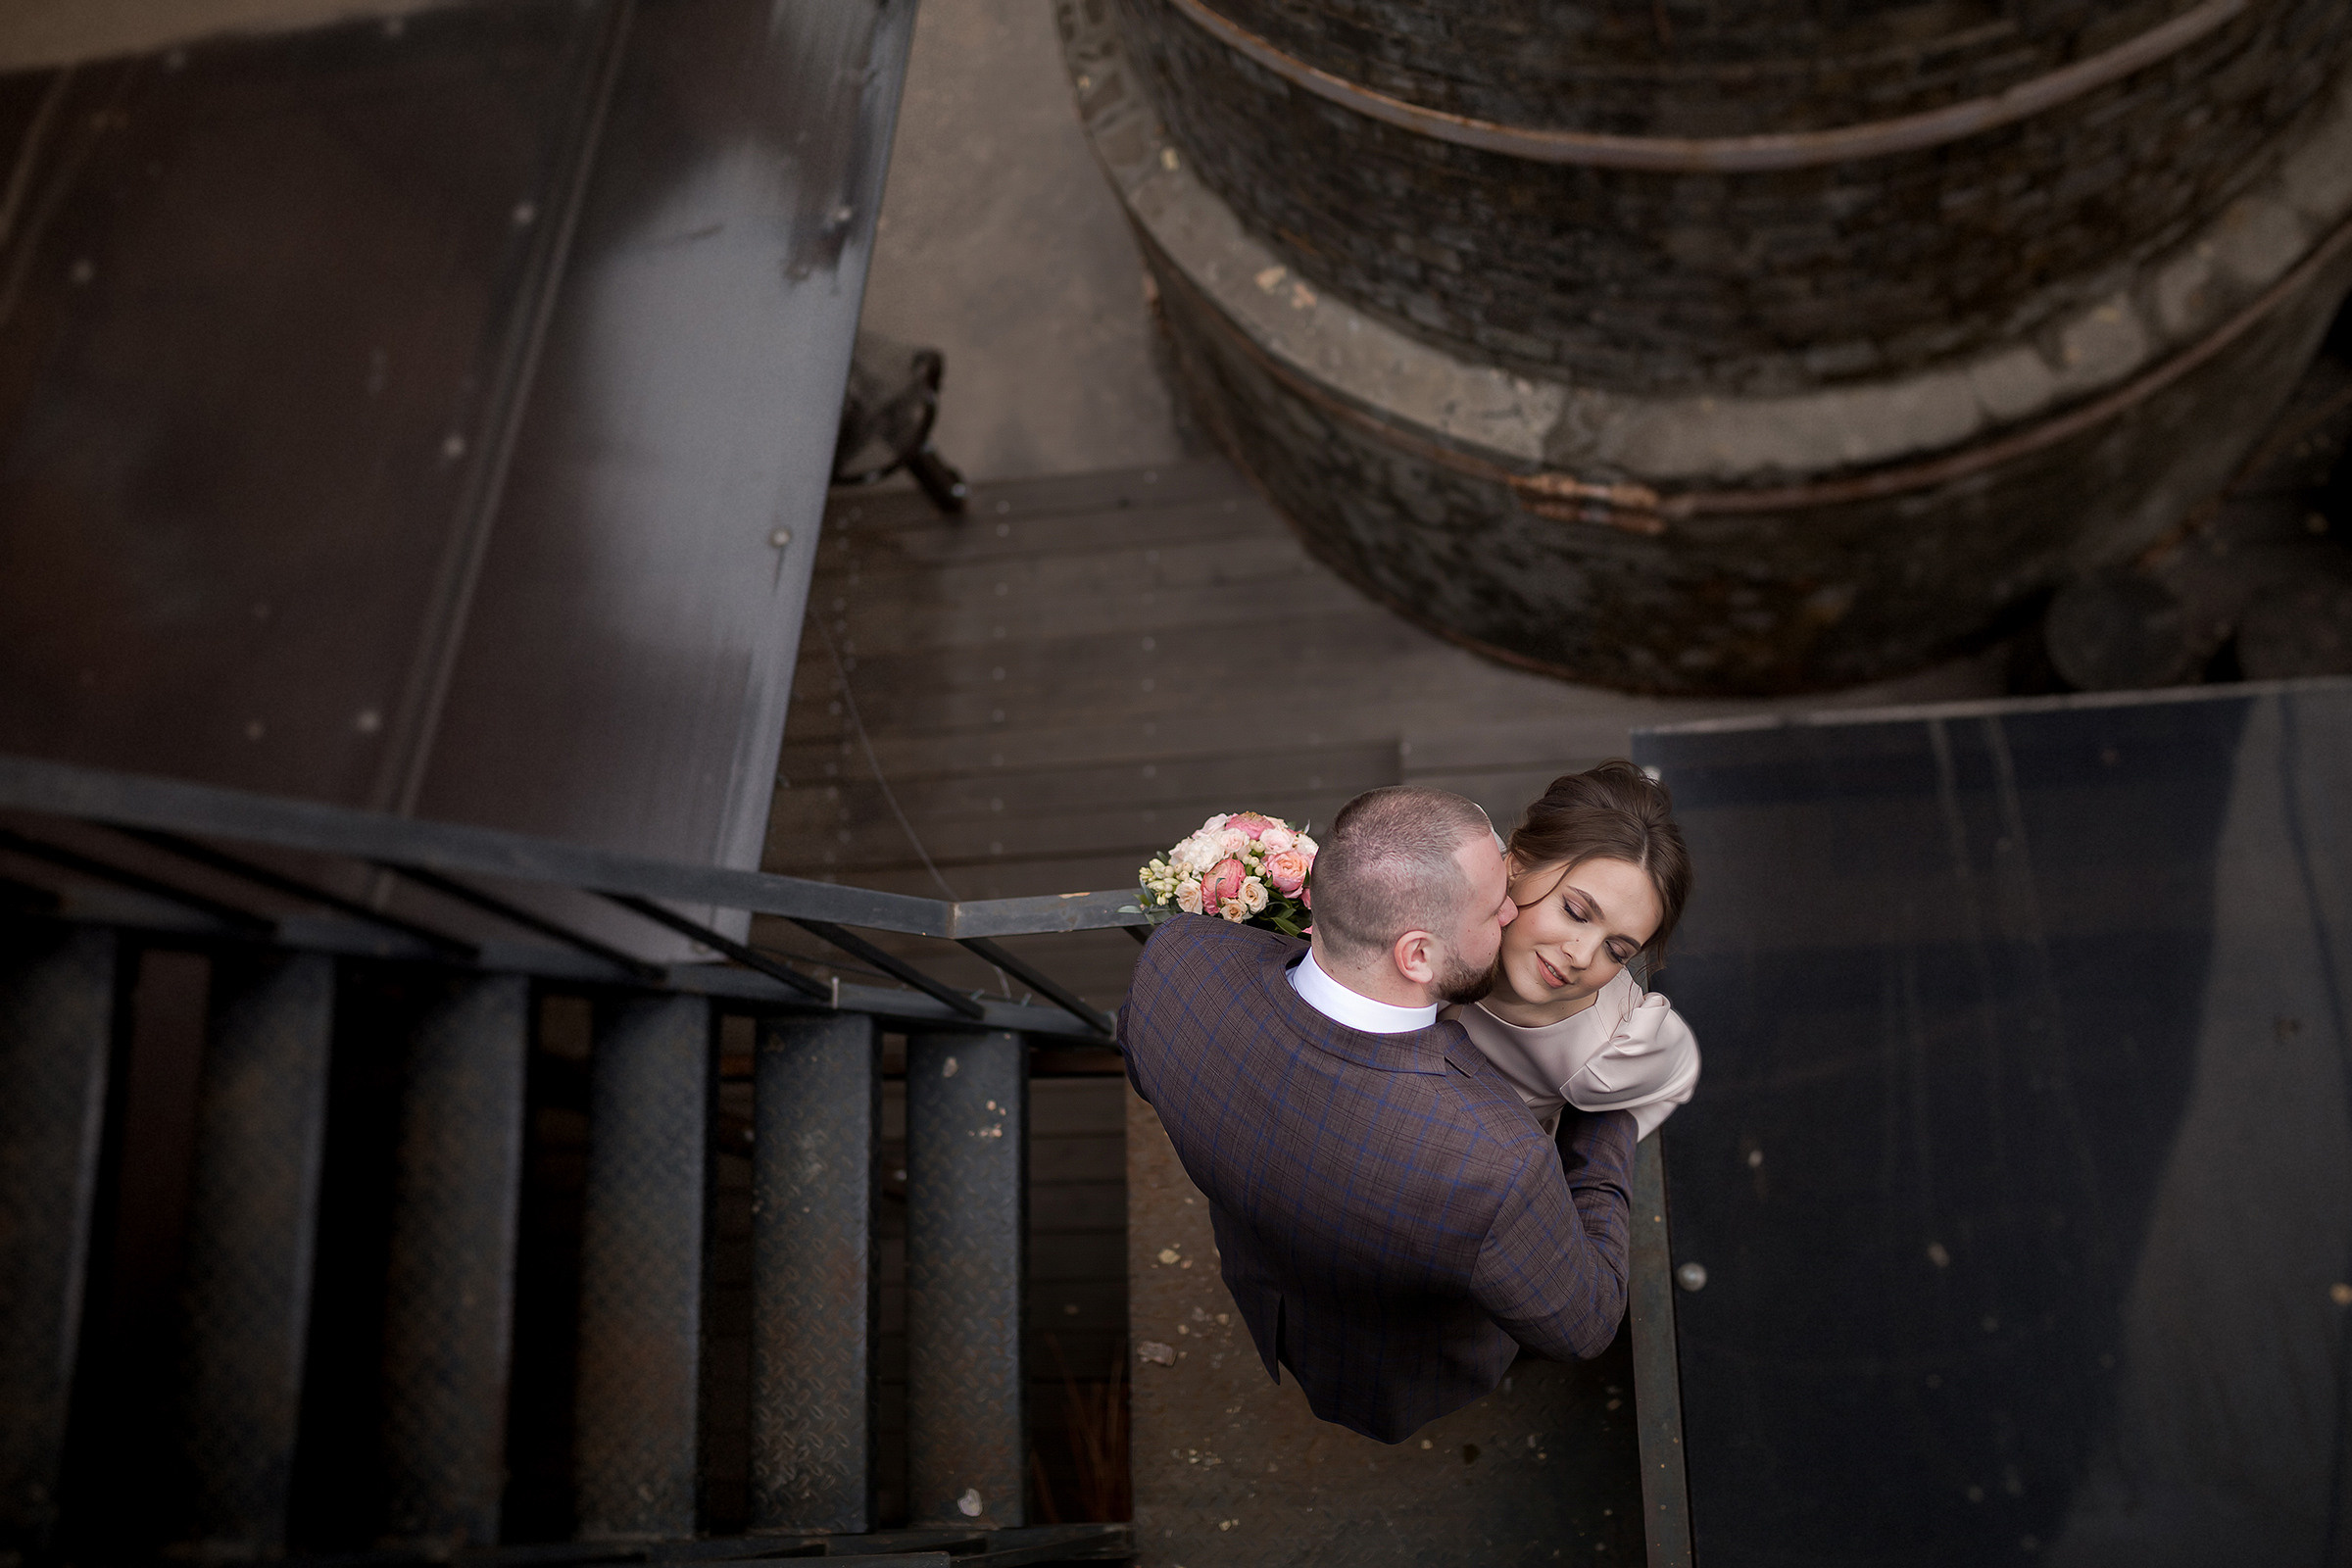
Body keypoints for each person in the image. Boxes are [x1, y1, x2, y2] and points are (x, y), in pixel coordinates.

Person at [1118, 784, 1639, 1444]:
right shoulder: (1492, 1165)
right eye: (1493, 908)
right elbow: (1584, 1323)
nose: (1514, 911)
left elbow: (1144, 1072)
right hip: (1395, 1362)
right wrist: (1606, 1103)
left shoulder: (1177, 961)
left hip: (1265, 1275)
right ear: (1416, 954)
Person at [1446, 760, 1698, 1142]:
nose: (1582, 956)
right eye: (1575, 912)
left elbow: (1679, 1075)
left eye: (1616, 951)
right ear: (1515, 863)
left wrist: (1593, 1155)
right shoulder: (1449, 872)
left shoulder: (1608, 1049)